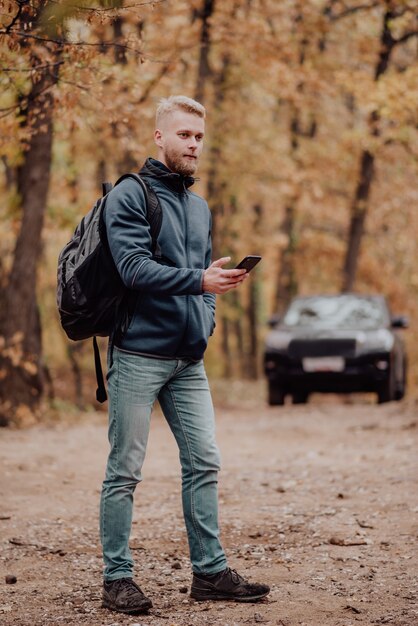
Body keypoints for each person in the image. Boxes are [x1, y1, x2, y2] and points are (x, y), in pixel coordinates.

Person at [100, 95, 270, 615]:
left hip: (188, 360)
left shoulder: (199, 207)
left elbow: (197, 277)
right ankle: (117, 578)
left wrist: (208, 305)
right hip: (137, 354)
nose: (192, 144)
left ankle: (211, 573)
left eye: (198, 136)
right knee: (125, 469)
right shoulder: (129, 195)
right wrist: (199, 279)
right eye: (183, 135)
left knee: (204, 462)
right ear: (159, 137)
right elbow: (133, 269)